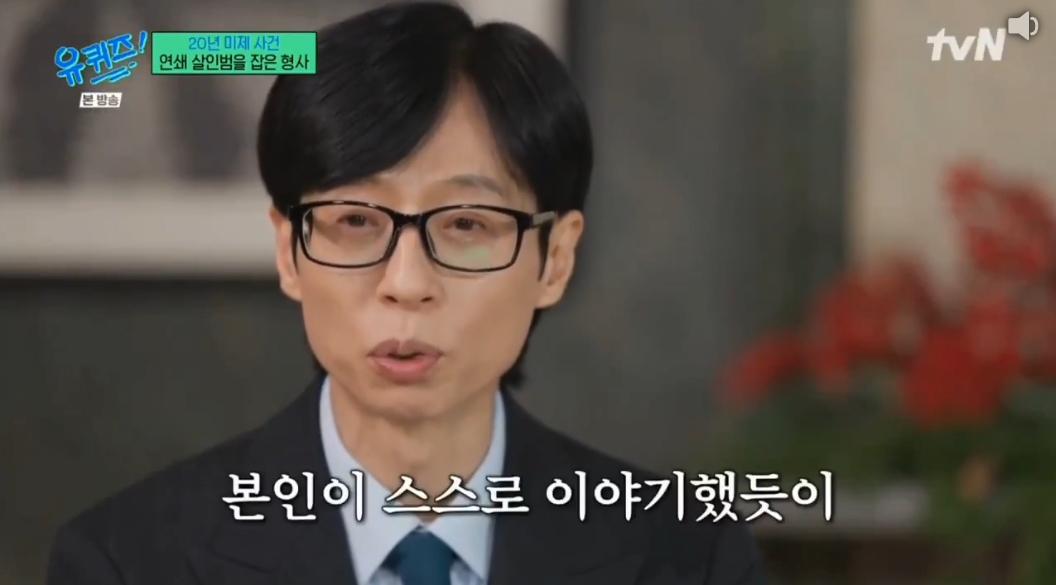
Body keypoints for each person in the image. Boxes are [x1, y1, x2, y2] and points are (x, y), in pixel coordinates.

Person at [46, 3, 765, 584]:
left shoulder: (688, 555)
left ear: (555, 258)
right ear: (288, 250)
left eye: (467, 224)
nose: (407, 284)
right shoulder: (129, 560)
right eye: (356, 222)